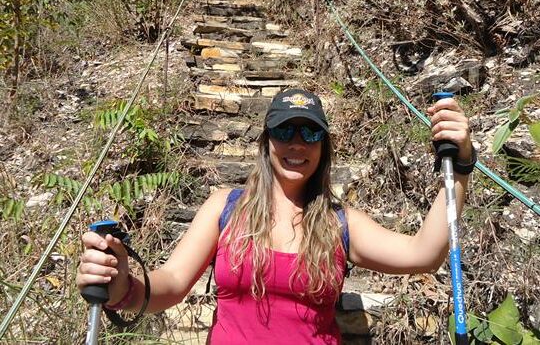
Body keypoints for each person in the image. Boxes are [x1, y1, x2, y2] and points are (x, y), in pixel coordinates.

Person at [76, 88, 475, 343]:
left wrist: (459, 167)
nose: (297, 144)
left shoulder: (340, 223)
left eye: (311, 133)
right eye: (285, 132)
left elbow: (424, 253)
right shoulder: (225, 207)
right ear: (266, 142)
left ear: (324, 147)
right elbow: (173, 283)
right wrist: (122, 286)